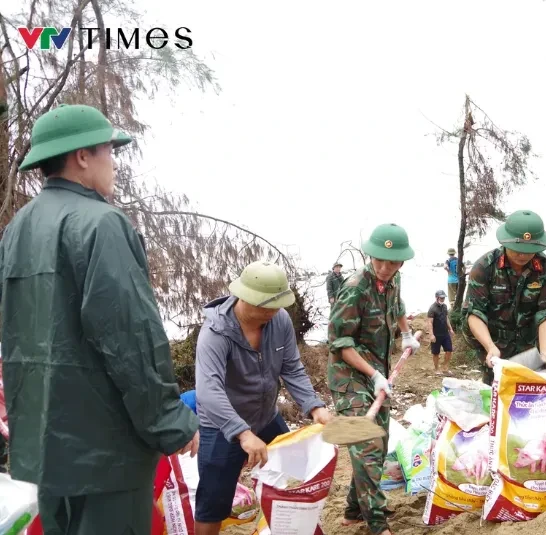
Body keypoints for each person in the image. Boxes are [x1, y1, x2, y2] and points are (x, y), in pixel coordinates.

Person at [0, 104, 199, 533]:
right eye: (109, 150)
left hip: (46, 447)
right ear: (82, 156)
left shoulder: (17, 228)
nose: (114, 162)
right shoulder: (101, 223)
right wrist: (171, 421)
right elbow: (131, 337)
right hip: (107, 451)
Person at [194, 260, 331, 535]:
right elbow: (209, 391)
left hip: (266, 417)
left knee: (292, 479)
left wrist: (314, 406)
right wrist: (242, 434)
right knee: (213, 500)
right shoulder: (215, 333)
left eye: (277, 305)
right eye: (266, 306)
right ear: (245, 297)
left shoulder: (278, 320)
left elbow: (291, 367)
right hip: (222, 426)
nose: (273, 312)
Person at [328, 223, 421, 535]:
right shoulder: (355, 288)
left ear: (401, 263)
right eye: (379, 260)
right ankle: (378, 525)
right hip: (349, 378)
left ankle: (353, 511)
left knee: (377, 446)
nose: (384, 268)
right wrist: (374, 374)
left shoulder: (392, 282)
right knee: (367, 446)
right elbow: (340, 344)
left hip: (375, 375)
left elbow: (398, 308)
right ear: (371, 255)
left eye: (392, 263)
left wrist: (406, 334)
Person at [462, 210, 546, 385]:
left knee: (526, 394)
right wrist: (490, 347)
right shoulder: (484, 267)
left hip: (526, 344)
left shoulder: (545, 269)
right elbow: (475, 313)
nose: (522, 255)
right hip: (492, 342)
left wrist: (545, 353)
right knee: (494, 391)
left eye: (529, 251)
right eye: (517, 249)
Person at [427, 290, 455, 375]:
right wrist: (431, 335)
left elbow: (446, 318)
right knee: (436, 353)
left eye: (444, 298)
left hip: (445, 333)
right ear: (437, 297)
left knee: (449, 350)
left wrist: (450, 329)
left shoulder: (445, 306)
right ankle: (436, 369)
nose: (443, 299)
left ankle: (445, 367)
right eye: (441, 298)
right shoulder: (432, 308)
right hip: (436, 334)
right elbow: (429, 322)